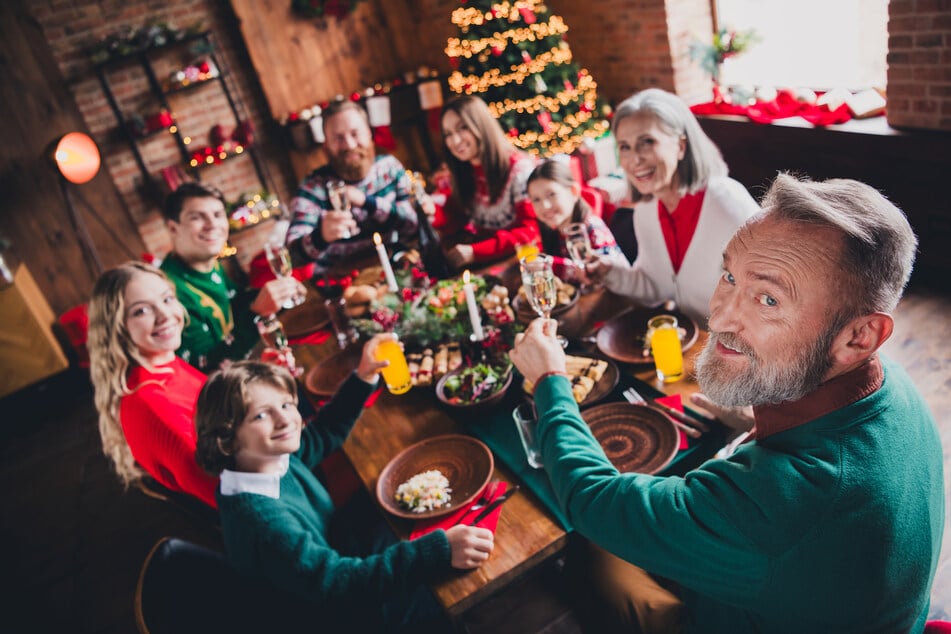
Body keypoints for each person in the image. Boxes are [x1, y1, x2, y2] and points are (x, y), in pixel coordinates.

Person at [509, 173, 944, 633]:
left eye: (768, 299)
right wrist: (746, 421)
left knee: (595, 558)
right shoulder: (887, 378)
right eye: (729, 275)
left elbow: (595, 501)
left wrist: (550, 379)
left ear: (859, 336)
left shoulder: (784, 503)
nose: (719, 315)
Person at [194, 345, 494, 632]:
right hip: (348, 616)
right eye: (260, 415)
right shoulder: (263, 523)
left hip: (343, 554)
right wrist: (437, 552)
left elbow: (322, 433)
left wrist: (363, 377)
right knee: (467, 593)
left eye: (286, 404)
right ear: (227, 438)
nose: (284, 418)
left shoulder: (260, 460)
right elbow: (340, 585)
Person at [584, 88, 760, 324]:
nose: (634, 159)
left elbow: (771, 295)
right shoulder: (645, 211)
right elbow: (655, 286)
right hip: (695, 343)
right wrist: (610, 272)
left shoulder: (728, 203)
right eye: (624, 146)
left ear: (680, 146)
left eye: (647, 142)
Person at [88, 262, 218, 508]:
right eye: (141, 311)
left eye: (167, 299)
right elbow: (231, 492)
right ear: (116, 329)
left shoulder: (163, 362)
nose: (165, 315)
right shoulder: (152, 403)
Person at [160, 183, 305, 373]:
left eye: (218, 215)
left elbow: (233, 304)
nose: (212, 225)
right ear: (173, 228)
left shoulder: (208, 262)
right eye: (197, 217)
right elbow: (205, 367)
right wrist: (256, 311)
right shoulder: (168, 292)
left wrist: (269, 295)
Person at [285, 100, 420, 274]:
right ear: (326, 146)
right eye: (338, 138)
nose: (349, 145)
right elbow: (292, 258)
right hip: (340, 283)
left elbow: (413, 226)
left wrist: (367, 202)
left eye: (355, 134)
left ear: (370, 134)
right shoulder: (312, 189)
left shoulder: (390, 169)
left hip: (397, 269)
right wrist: (320, 236)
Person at [435, 95, 540, 268]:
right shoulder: (464, 171)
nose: (455, 141)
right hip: (489, 264)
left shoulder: (520, 170)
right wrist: (433, 213)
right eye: (448, 134)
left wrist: (475, 252)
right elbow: (457, 216)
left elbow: (531, 231)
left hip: (524, 262)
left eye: (463, 128)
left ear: (481, 126)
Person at [526, 158, 622, 281]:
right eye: (536, 199)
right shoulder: (553, 231)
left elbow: (602, 276)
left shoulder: (593, 228)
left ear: (573, 191)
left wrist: (550, 264)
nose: (545, 206)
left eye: (552, 194)